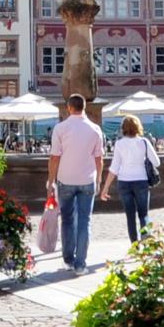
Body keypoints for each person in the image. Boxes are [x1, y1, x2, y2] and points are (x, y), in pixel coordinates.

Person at [47, 93, 105, 270]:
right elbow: (99, 159)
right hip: (87, 180)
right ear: (84, 107)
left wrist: (51, 181)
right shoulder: (95, 129)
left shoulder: (60, 128)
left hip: (65, 179)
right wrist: (99, 179)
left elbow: (54, 157)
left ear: (69, 108)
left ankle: (68, 260)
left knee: (67, 220)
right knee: (84, 221)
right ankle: (80, 264)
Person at [102, 117, 159, 242]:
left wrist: (105, 188)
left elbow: (114, 168)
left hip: (124, 181)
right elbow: (157, 162)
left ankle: (134, 245)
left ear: (123, 128)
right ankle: (145, 241)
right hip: (141, 180)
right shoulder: (144, 142)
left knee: (130, 216)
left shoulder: (119, 144)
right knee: (143, 214)